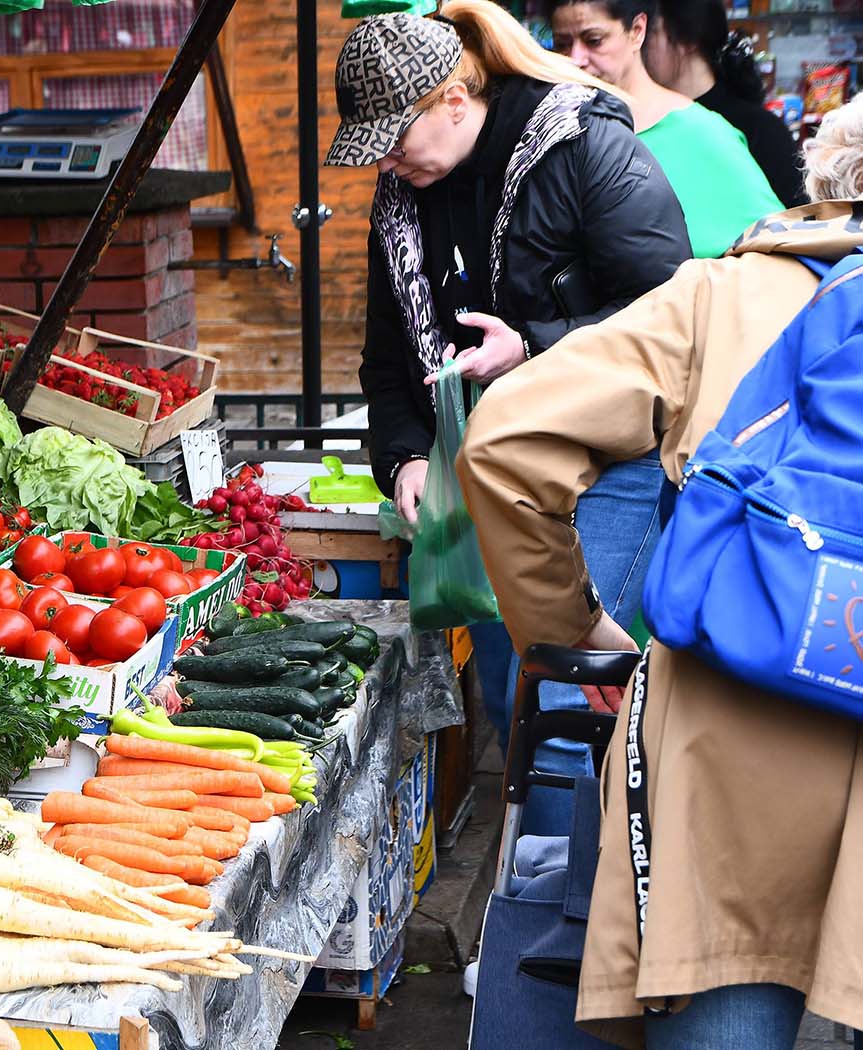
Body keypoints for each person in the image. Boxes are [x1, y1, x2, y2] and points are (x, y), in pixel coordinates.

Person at [457, 98, 863, 1050]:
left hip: (736, 713)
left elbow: (507, 440)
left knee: (726, 991)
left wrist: (575, 635)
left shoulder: (721, 294)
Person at [329, 0, 690, 833]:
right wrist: (405, 459)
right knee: (512, 697)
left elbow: (673, 310)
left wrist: (531, 348)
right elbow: (388, 366)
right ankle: (564, 887)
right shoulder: (400, 203)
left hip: (609, 458)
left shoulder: (582, 144)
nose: (384, 163)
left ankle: (560, 930)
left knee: (559, 685)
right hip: (485, 473)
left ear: (453, 100)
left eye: (393, 139)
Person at [551, 0, 784, 258]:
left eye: (594, 40)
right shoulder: (553, 134)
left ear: (637, 30)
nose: (575, 59)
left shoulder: (704, 133)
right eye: (562, 44)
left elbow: (772, 247)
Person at [645, 1, 805, 207]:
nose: (641, 46)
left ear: (687, 39)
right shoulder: (647, 121)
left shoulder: (760, 130)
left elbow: (799, 220)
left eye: (652, 32)